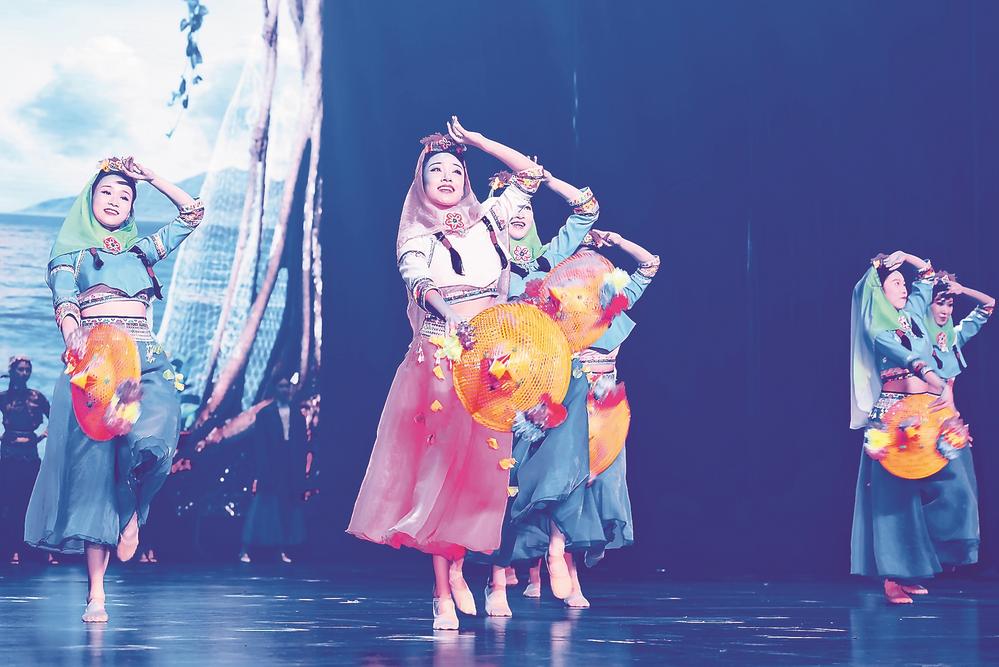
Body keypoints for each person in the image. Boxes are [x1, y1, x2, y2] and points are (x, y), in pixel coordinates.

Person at [347, 117, 543, 631]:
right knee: (441, 471)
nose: (448, 177)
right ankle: (441, 591)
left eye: (456, 169)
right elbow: (418, 282)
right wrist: (454, 318)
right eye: (437, 170)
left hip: (493, 357)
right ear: (422, 181)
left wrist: (478, 141)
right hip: (441, 351)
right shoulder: (416, 232)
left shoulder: (491, 218)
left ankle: (460, 562)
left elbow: (530, 174)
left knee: (487, 472)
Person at [25, 156, 202, 622]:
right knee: (95, 477)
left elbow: (192, 214)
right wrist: (73, 335)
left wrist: (152, 178)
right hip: (100, 365)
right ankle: (97, 594)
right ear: (90, 198)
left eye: (125, 195)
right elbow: (65, 301)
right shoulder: (72, 254)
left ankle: (133, 514)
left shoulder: (142, 252)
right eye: (106, 192)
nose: (115, 200)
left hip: (148, 363)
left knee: (153, 448)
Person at [472, 172, 599, 617]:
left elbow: (587, 211)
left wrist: (543, 179)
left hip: (556, 376)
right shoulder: (484, 268)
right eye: (511, 208)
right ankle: (496, 581)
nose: (520, 214)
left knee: (567, 463)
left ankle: (558, 549)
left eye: (526, 207)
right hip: (507, 381)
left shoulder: (547, 258)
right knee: (508, 481)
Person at [849, 251, 968, 605]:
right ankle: (893, 577)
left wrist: (908, 259)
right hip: (893, 416)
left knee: (956, 487)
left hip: (926, 413)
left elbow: (927, 277)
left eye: (905, 283)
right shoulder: (879, 329)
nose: (905, 288)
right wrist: (936, 380)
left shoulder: (914, 314)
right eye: (896, 283)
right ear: (881, 292)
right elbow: (912, 360)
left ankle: (924, 558)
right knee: (894, 502)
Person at [239, 377, 311, 563]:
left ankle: (282, 549)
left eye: (287, 386)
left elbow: (301, 444)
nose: (285, 389)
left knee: (286, 508)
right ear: (275, 389)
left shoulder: (296, 413)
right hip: (271, 464)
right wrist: (263, 469)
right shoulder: (265, 413)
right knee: (263, 507)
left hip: (289, 464)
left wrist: (300, 471)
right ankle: (246, 548)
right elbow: (260, 444)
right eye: (281, 386)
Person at [0, 356, 49, 565]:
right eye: (20, 369)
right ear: (12, 371)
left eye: (27, 369)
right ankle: (6, 550)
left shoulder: (36, 397)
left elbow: (55, 418)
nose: (24, 373)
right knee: (6, 502)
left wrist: (41, 436)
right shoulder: (3, 397)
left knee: (28, 502)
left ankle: (28, 550)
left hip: (29, 454)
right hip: (8, 455)